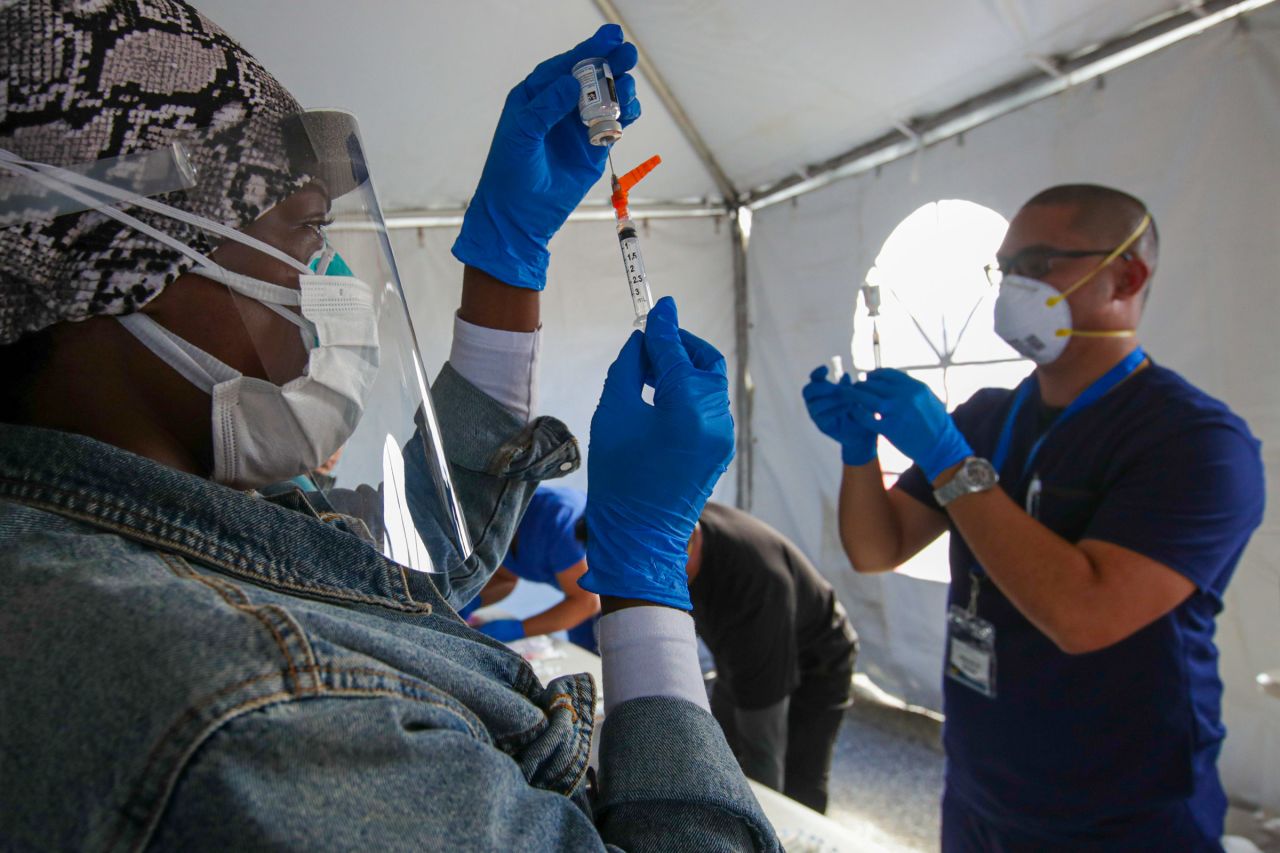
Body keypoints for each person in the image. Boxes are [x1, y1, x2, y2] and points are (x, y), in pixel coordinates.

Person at [0, 3, 778, 850]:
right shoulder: (259, 719)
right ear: (123, 263)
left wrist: (505, 262)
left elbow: (398, 564)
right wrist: (649, 579)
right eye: (305, 229)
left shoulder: (126, 522)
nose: (324, 279)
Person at [803, 184, 1265, 851]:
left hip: (1122, 814)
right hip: (980, 789)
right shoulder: (988, 417)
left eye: (1040, 264)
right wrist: (857, 451)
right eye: (1007, 268)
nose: (1016, 287)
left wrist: (951, 463)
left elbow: (1082, 614)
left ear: (1127, 275)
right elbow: (879, 547)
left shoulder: (1195, 442)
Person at [689, 501, 858, 814]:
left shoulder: (751, 592)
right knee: (717, 750)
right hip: (742, 652)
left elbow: (763, 751)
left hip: (818, 658)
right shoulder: (674, 517)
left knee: (794, 787)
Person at [471, 485, 601, 651]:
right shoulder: (494, 531)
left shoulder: (559, 520)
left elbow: (587, 603)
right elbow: (505, 578)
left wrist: (517, 629)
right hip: (582, 602)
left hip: (616, 597)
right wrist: (466, 601)